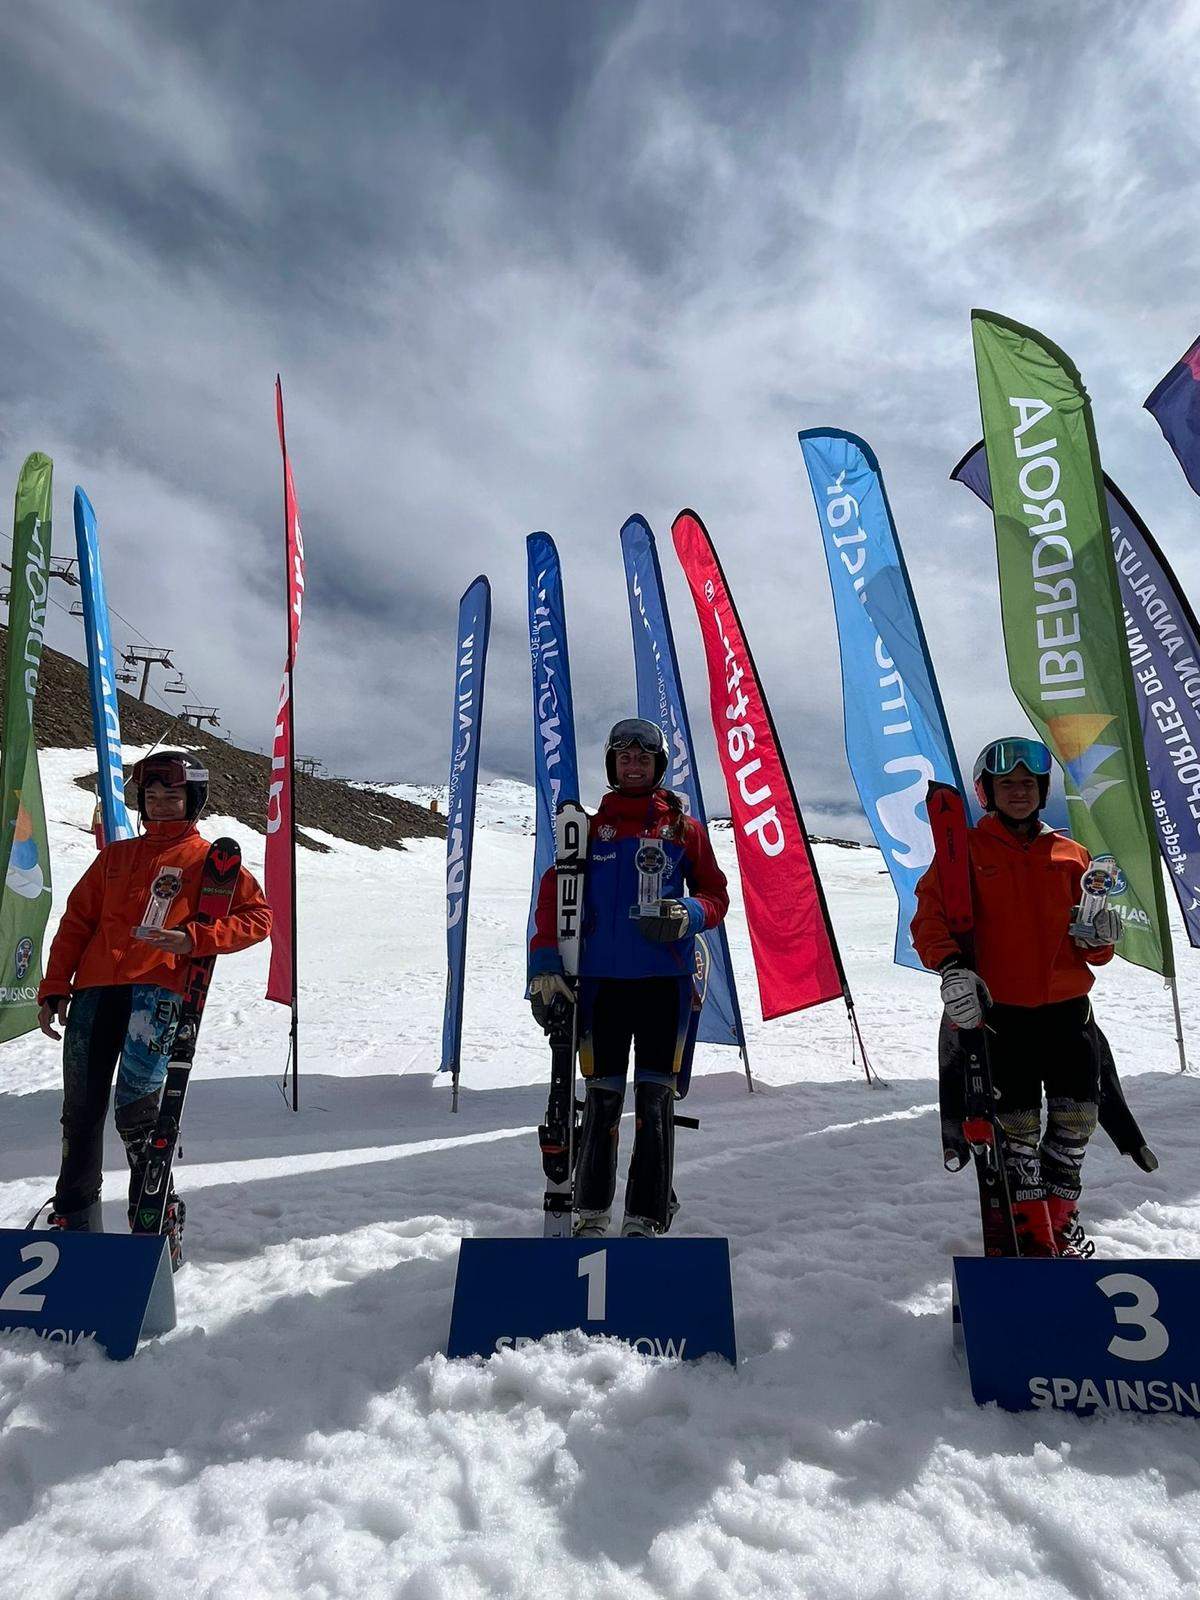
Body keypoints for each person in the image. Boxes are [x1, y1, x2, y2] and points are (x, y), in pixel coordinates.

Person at [37, 751, 272, 1244]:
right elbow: (77, 923)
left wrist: (196, 939)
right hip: (95, 991)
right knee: (79, 1110)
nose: (161, 805)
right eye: (152, 796)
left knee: (138, 1110)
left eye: (172, 796)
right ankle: (74, 1213)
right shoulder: (115, 857)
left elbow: (258, 919)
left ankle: (154, 1212)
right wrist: (56, 985)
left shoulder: (210, 860)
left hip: (158, 993)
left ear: (194, 800)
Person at [911, 736, 1122, 1257]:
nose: (1020, 792)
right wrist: (952, 969)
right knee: (1018, 1132)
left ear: (1042, 789)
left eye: (1029, 783)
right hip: (1001, 1018)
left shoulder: (1073, 856)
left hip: (1068, 1014)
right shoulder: (964, 852)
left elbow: (1092, 950)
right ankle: (1030, 1235)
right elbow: (929, 918)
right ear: (987, 792)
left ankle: (1059, 1222)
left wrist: (1100, 939)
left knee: (1076, 1122)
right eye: (1008, 784)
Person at [528, 718, 729, 1238]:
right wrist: (547, 966)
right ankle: (591, 1212)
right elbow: (554, 898)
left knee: (655, 1102)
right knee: (602, 1101)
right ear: (613, 765)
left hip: (666, 985)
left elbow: (716, 895)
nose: (634, 764)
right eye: (624, 756)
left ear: (658, 765)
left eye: (643, 756)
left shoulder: (685, 831)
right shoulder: (588, 831)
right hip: (602, 987)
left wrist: (688, 911)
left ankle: (647, 1215)